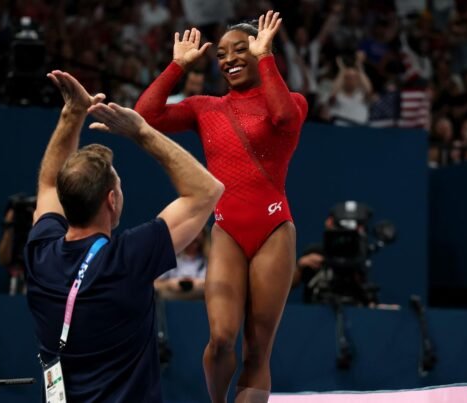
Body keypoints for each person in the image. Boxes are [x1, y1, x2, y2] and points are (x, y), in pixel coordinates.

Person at [134, 10, 307, 403]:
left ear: (262, 50)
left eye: (239, 50)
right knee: (221, 339)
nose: (228, 59)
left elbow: (281, 116)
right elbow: (146, 116)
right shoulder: (204, 108)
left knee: (258, 347)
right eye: (222, 54)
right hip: (227, 230)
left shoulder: (292, 101)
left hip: (274, 230)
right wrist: (177, 66)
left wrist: (266, 59)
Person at [25, 70, 223, 402]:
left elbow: (47, 185)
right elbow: (207, 191)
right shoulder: (128, 258)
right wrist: (142, 131)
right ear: (112, 200)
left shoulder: (39, 253)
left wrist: (72, 113)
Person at [155, 226, 209, 300]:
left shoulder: (210, 260)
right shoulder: (171, 258)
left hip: (200, 300)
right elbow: (155, 284)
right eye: (191, 238)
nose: (193, 241)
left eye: (196, 240)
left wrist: (201, 283)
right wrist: (169, 284)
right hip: (173, 300)